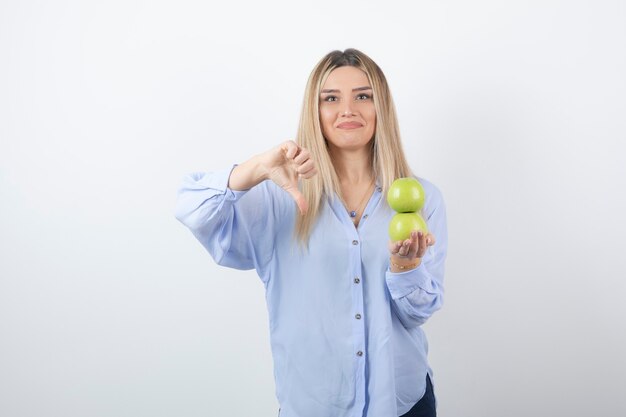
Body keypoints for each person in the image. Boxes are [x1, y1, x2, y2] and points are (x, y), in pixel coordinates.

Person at [174, 48, 447, 417]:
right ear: (314, 111)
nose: (347, 110)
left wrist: (405, 267)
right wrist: (255, 168)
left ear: (381, 106)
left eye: (363, 96)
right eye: (331, 98)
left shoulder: (423, 198)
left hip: (402, 402)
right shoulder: (277, 197)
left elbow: (419, 313)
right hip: (314, 406)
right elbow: (189, 208)